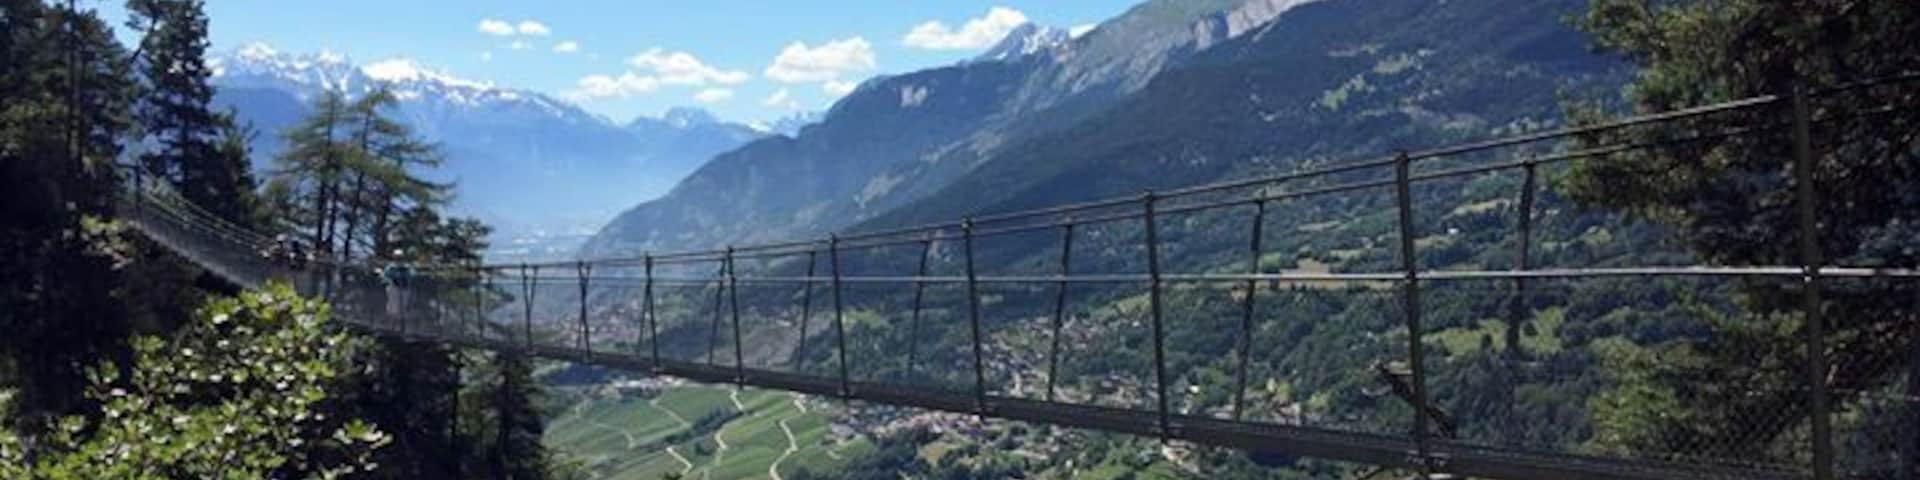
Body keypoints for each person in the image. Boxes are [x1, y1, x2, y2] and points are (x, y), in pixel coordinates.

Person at [382, 251, 415, 319]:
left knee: (402, 308)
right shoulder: (391, 267)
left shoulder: (407, 267)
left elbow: (413, 275)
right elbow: (385, 277)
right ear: (394, 257)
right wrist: (392, 279)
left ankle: (401, 323)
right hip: (394, 288)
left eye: (400, 257)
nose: (398, 259)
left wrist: (405, 277)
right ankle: (391, 322)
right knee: (393, 309)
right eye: (397, 257)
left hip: (405, 289)